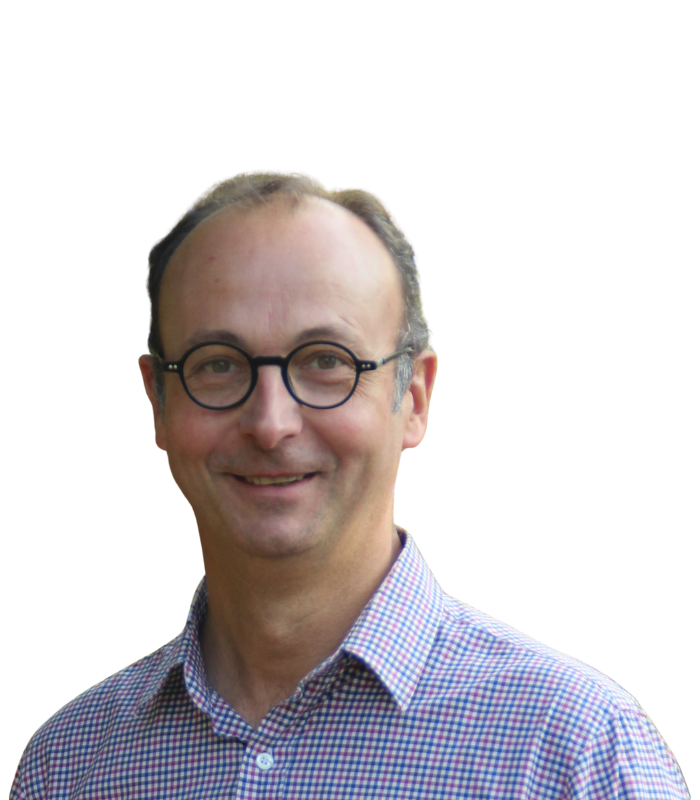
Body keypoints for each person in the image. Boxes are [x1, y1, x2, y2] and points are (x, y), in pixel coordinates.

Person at [10, 170, 689, 799]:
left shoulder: (580, 751)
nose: (270, 424)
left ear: (414, 397)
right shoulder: (66, 766)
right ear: (157, 402)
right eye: (218, 364)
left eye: (325, 361)